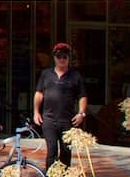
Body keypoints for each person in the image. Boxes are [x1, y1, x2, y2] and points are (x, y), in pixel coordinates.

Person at [33, 42, 87, 171]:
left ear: (68, 58)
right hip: (49, 119)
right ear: (54, 58)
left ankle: (64, 174)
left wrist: (81, 113)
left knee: (65, 151)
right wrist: (36, 112)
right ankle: (50, 174)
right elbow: (39, 93)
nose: (61, 59)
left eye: (64, 57)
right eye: (59, 57)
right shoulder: (46, 74)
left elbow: (82, 96)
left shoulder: (75, 76)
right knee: (51, 149)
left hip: (67, 120)